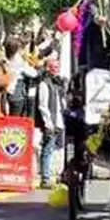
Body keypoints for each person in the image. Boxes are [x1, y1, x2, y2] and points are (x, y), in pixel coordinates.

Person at [35, 57, 67, 189]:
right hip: (51, 122)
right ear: (48, 68)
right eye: (54, 67)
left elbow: (62, 102)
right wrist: (48, 123)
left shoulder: (57, 84)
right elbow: (43, 106)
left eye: (57, 67)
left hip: (60, 121)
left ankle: (58, 175)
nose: (57, 70)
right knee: (47, 149)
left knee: (58, 149)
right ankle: (45, 178)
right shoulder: (44, 84)